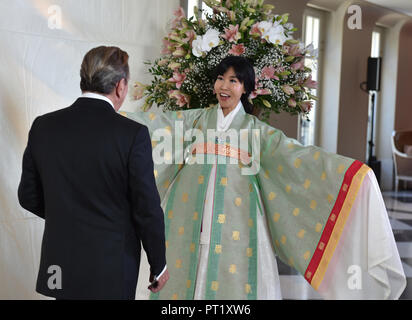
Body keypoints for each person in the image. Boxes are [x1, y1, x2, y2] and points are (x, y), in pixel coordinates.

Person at [124, 56, 406, 300]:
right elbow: (156, 127)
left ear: (246, 88)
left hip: (240, 229)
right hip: (189, 223)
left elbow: (296, 157)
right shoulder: (194, 121)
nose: (224, 86)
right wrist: (113, 118)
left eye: (233, 81)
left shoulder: (257, 133)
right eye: (220, 78)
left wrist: (353, 173)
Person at [17, 46, 169, 300]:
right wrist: (159, 264)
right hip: (110, 267)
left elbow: (28, 195)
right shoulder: (132, 134)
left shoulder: (43, 126)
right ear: (120, 86)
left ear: (83, 79)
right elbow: (147, 208)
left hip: (60, 268)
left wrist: (65, 214)